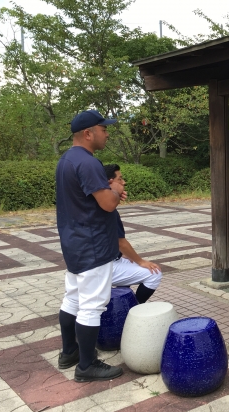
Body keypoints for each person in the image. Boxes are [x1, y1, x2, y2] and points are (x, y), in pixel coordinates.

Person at [56, 110, 125, 383]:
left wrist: (109, 191)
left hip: (73, 242)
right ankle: (87, 366)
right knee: (92, 306)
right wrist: (115, 191)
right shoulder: (88, 162)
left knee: (72, 298)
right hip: (93, 244)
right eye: (103, 129)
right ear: (88, 133)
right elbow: (107, 204)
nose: (107, 134)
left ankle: (69, 352)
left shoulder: (66, 159)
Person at [103, 164, 162, 303]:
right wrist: (140, 261)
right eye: (120, 179)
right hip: (102, 267)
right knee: (154, 274)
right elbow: (120, 242)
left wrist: (124, 255)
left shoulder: (97, 204)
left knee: (128, 261)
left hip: (101, 261)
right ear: (109, 182)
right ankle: (133, 308)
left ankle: (122, 305)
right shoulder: (109, 211)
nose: (124, 182)